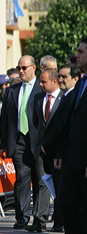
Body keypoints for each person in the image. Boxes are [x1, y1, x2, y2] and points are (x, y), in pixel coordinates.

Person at [0, 55, 43, 230]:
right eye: (19, 68)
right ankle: (22, 217)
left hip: (38, 143)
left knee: (40, 181)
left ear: (34, 68)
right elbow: (5, 119)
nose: (21, 71)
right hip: (18, 141)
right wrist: (3, 144)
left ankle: (39, 217)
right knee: (21, 180)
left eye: (25, 68)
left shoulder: (42, 89)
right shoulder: (12, 90)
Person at [42, 64, 81, 232]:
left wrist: (49, 146)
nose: (60, 80)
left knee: (66, 200)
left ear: (75, 79)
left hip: (68, 155)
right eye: (60, 76)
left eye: (64, 77)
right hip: (60, 154)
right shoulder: (67, 96)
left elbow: (63, 127)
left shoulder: (73, 98)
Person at [57, 37, 87, 233]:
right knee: (65, 204)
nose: (77, 55)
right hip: (72, 159)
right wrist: (60, 152)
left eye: (81, 52)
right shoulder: (82, 82)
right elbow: (71, 121)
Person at [27, 68, 63, 232]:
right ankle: (39, 220)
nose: (40, 84)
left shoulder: (64, 98)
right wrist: (39, 143)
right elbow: (35, 122)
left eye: (44, 81)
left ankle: (59, 219)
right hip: (40, 149)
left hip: (58, 150)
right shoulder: (38, 98)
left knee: (59, 184)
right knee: (42, 183)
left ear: (54, 81)